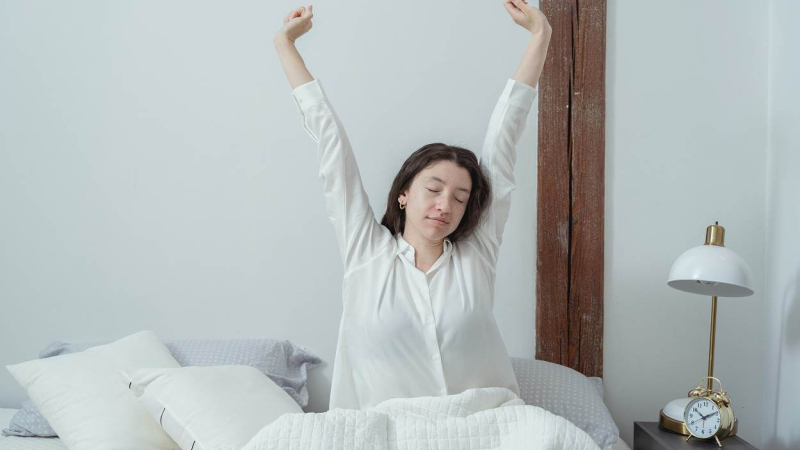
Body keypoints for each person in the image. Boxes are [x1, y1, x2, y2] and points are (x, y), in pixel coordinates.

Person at [274, 0, 551, 410]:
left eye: (459, 197)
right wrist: (286, 45)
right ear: (403, 194)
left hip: (482, 426)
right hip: (387, 429)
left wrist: (540, 35)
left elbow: (504, 138)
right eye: (433, 189)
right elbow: (332, 145)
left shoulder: (476, 256)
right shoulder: (366, 252)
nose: (445, 204)